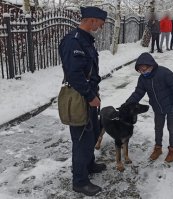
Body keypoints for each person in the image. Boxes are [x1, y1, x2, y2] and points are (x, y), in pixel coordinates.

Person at [58, 6, 107, 196]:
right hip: (79, 96)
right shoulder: (73, 41)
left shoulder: (85, 40)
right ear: (92, 20)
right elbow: (75, 74)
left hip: (88, 94)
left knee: (93, 132)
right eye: (100, 24)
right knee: (81, 140)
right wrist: (90, 96)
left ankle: (89, 164)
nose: (100, 28)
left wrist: (93, 95)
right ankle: (79, 181)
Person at [125, 52, 173, 163]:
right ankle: (158, 148)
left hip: (171, 107)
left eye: (144, 69)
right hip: (157, 107)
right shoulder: (143, 79)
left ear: (151, 65)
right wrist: (128, 104)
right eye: (140, 70)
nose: (143, 72)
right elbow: (138, 92)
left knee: (172, 128)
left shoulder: (164, 73)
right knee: (158, 128)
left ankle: (172, 150)